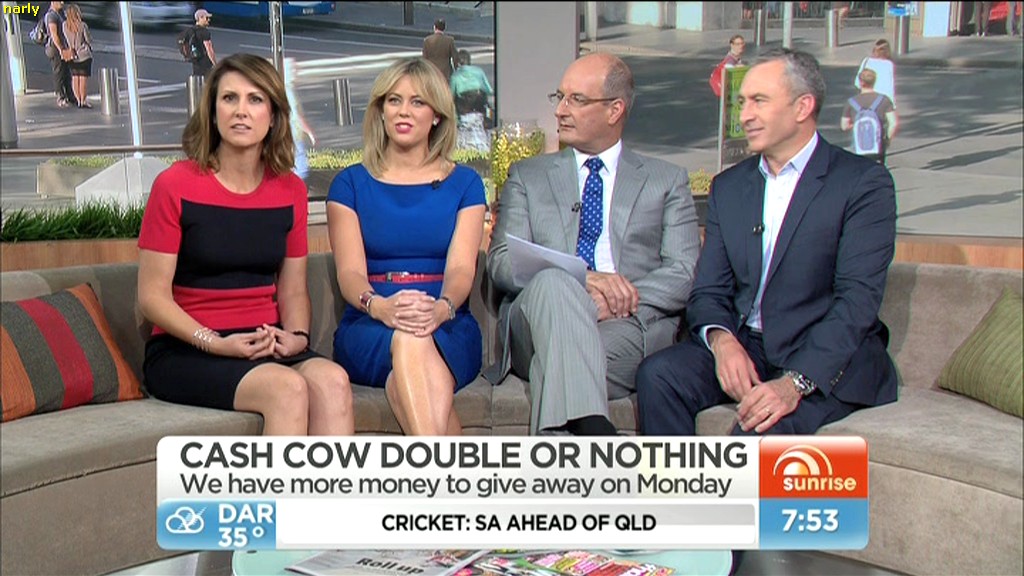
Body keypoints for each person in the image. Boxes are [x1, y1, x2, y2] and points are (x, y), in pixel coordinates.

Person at [637, 48, 898, 438]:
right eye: (742, 102)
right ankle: (676, 483)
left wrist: (794, 383)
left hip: (824, 355)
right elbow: (709, 290)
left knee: (758, 429)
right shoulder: (729, 187)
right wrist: (722, 341)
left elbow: (857, 302)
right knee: (659, 376)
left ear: (802, 107)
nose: (744, 115)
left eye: (759, 101)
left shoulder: (861, 183)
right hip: (748, 345)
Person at [485, 52, 701, 436]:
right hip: (536, 323)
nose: (560, 111)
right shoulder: (527, 176)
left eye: (577, 100)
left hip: (625, 324)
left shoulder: (666, 180)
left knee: (559, 360)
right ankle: (596, 435)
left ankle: (572, 443)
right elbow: (501, 262)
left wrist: (617, 296)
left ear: (615, 110)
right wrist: (583, 281)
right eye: (560, 97)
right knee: (556, 283)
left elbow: (684, 271)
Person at [137, 54, 354, 436]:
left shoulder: (290, 190)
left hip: (262, 340)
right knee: (287, 389)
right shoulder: (175, 185)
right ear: (212, 112)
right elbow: (152, 298)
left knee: (334, 381)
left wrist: (297, 337)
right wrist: (215, 343)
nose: (241, 111)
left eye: (255, 99)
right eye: (229, 98)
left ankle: (332, 482)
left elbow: (292, 289)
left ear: (273, 115)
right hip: (187, 348)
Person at [327, 57, 486, 436]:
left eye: (417, 102)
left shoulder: (465, 184)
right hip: (370, 322)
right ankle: (441, 468)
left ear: (437, 115)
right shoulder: (349, 184)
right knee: (411, 341)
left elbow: (461, 269)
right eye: (394, 100)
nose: (403, 111)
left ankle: (428, 465)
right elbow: (350, 273)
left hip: (447, 321)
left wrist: (442, 309)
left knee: (411, 361)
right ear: (381, 111)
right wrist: (380, 307)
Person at [841, 68, 897, 164]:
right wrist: (887, 139)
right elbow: (893, 123)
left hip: (858, 146)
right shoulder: (884, 100)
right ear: (874, 81)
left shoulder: (851, 102)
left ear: (860, 82)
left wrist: (857, 124)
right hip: (878, 146)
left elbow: (844, 126)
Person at [449, 49, 493, 151]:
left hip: (464, 107)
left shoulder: (455, 76)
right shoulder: (479, 71)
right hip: (480, 104)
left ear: (457, 63)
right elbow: (489, 90)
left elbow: (450, 96)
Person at [283, 57, 316, 180]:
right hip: (292, 134)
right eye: (292, 70)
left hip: (292, 134)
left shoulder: (287, 89)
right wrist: (308, 131)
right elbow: (296, 115)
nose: (295, 72)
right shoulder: (287, 91)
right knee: (300, 166)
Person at [43, 1, 73, 108]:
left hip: (62, 47)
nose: (62, 2)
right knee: (59, 72)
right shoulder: (51, 15)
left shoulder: (59, 14)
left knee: (66, 72)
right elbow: (54, 35)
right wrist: (61, 49)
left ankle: (70, 95)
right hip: (55, 48)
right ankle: (60, 96)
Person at [62, 3, 93, 109]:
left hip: (72, 55)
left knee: (75, 78)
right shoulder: (82, 25)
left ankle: (78, 99)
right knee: (83, 79)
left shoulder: (65, 25)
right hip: (84, 55)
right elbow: (88, 39)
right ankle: (83, 101)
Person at [854, 39, 895, 108]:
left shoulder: (866, 61)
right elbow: (889, 87)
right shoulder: (888, 64)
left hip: (866, 99)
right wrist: (893, 105)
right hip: (882, 101)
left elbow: (857, 83)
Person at [190, 8, 216, 79]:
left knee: (198, 79)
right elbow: (209, 48)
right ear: (200, 18)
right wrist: (214, 63)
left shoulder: (192, 30)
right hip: (205, 62)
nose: (208, 20)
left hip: (196, 61)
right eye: (206, 18)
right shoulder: (204, 32)